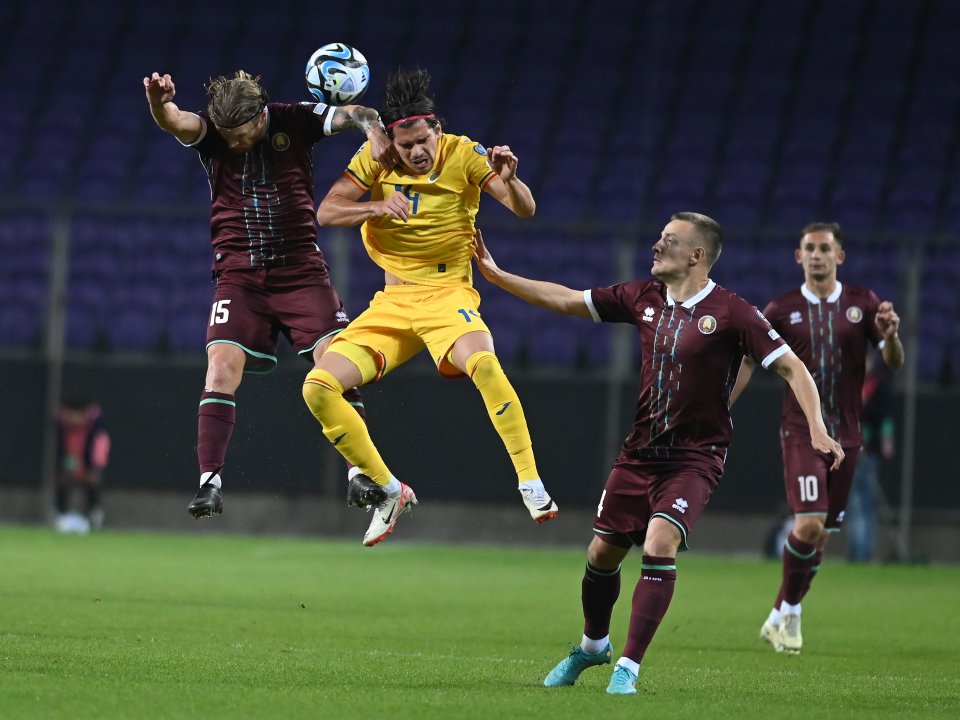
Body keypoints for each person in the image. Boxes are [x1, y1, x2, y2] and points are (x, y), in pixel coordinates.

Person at [472, 213, 844, 694]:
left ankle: (629, 665)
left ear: (697, 255)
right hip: (640, 453)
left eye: (668, 240)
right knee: (602, 554)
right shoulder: (642, 297)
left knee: (658, 544)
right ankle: (592, 647)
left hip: (696, 457)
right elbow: (567, 299)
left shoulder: (733, 312)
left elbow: (793, 367)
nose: (656, 245)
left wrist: (816, 427)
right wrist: (499, 276)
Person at [305, 67, 556, 547]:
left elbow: (524, 208)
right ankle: (389, 490)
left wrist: (513, 180)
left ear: (437, 129)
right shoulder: (376, 157)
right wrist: (374, 207)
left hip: (448, 295)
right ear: (393, 143)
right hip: (395, 300)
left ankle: (529, 481)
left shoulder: (466, 154)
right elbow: (327, 211)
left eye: (423, 140)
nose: (417, 152)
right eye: (407, 146)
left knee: (484, 363)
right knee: (317, 388)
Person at [143, 70, 400, 518]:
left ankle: (359, 472)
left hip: (301, 269)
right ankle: (209, 482)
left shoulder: (294, 119)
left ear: (261, 117)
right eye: (228, 137)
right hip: (238, 274)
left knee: (335, 365)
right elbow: (176, 121)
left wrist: (374, 131)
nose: (235, 144)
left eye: (241, 136)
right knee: (221, 368)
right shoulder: (213, 134)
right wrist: (158, 102)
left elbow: (359, 112)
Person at [730, 221, 903, 655]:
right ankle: (792, 614)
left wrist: (893, 335)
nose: (817, 255)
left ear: (839, 256)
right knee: (807, 525)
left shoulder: (863, 303)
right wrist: (723, 402)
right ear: (799, 256)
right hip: (801, 431)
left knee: (822, 534)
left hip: (848, 435)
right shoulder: (781, 308)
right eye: (810, 248)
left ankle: (777, 615)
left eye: (825, 248)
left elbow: (893, 362)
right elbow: (749, 359)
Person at [846, 349, 896, 562]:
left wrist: (886, 440)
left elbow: (885, 417)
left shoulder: (879, 387)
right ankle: (857, 551)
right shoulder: (850, 386)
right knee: (854, 502)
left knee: (866, 501)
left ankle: (865, 552)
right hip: (851, 449)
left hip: (870, 451)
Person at [55, 394, 111, 533]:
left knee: (92, 482)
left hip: (89, 462)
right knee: (63, 481)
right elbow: (63, 448)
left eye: (78, 415)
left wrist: (95, 467)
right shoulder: (62, 424)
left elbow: (101, 446)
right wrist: (69, 467)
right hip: (72, 460)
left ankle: (94, 515)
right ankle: (61, 515)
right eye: (72, 414)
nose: (74, 418)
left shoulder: (96, 425)